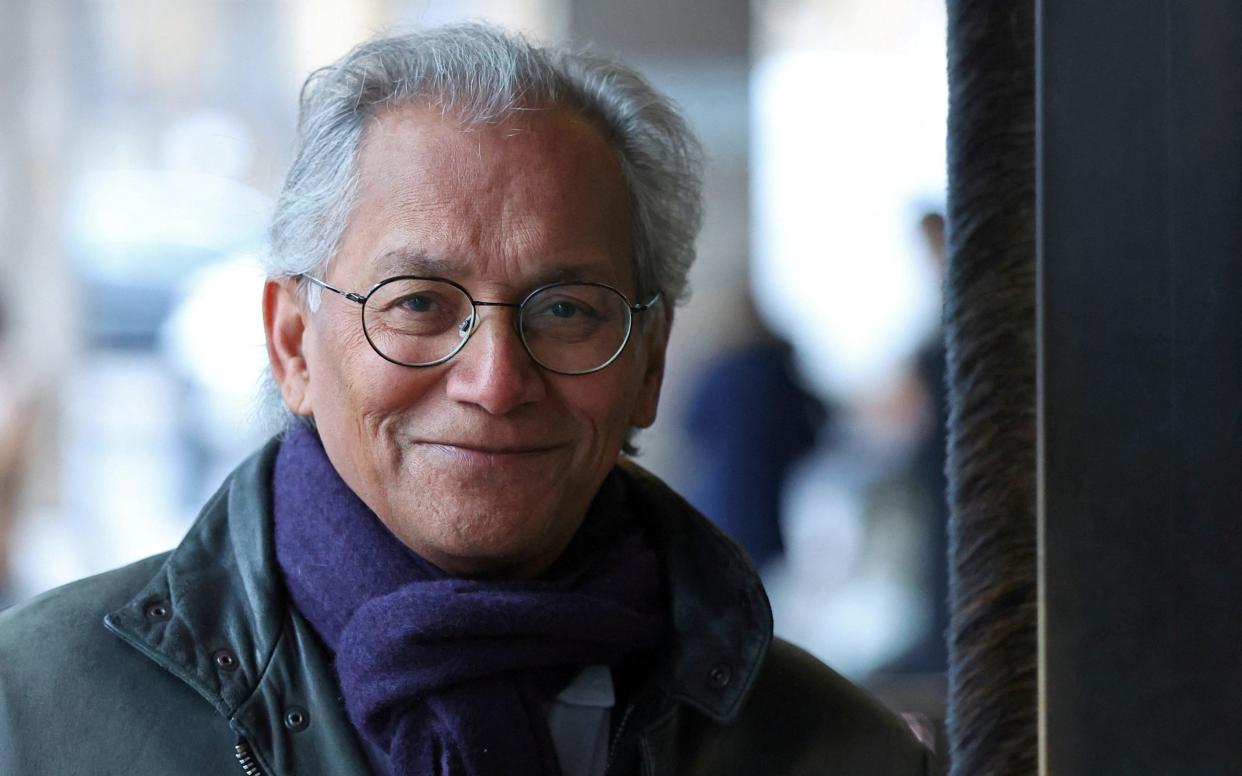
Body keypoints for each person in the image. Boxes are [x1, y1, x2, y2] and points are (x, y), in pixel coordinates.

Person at [0, 24, 931, 775]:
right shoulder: (33, 710)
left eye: (566, 309)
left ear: (650, 363)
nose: (494, 382)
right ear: (292, 343)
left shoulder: (833, 751)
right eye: (416, 304)